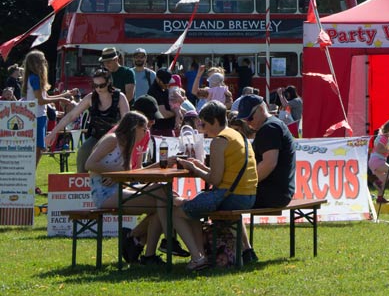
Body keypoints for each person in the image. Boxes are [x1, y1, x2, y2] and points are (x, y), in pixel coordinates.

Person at [85, 111, 184, 265]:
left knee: (163, 194)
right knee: (163, 198)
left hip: (119, 188)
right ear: (134, 127)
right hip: (104, 194)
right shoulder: (112, 139)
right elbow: (89, 164)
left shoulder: (128, 144)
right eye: (144, 129)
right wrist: (114, 173)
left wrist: (159, 165)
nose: (146, 132)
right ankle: (163, 242)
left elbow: (133, 174)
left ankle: (140, 242)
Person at [174, 100, 259, 271]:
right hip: (248, 196)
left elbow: (215, 180)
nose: (202, 129)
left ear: (214, 121)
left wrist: (193, 168)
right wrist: (200, 166)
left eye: (203, 124)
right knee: (192, 209)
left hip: (232, 197)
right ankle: (201, 256)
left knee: (176, 211)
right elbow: (223, 173)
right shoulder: (237, 135)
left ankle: (198, 257)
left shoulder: (219, 141)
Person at [233, 94, 295, 263]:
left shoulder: (269, 129)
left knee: (229, 201)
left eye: (250, 118)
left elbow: (268, 164)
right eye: (244, 119)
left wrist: (245, 184)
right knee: (228, 199)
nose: (248, 122)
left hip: (273, 193)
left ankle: (241, 251)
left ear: (261, 109)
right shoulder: (272, 126)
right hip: (278, 191)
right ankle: (244, 250)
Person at [46, 68, 129, 172]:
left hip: (116, 137)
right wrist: (53, 133)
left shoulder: (120, 97)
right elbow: (71, 115)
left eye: (101, 85)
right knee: (82, 152)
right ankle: (81, 179)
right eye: (95, 85)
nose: (98, 89)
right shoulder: (90, 98)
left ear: (109, 83)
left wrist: (123, 140)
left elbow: (127, 121)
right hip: (96, 136)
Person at [21, 50, 73, 168]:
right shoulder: (35, 78)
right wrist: (60, 99)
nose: (45, 62)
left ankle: (31, 174)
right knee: (38, 148)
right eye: (42, 60)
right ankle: (31, 175)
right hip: (36, 117)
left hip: (38, 116)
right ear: (36, 63)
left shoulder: (33, 77)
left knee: (40, 148)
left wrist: (64, 96)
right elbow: (40, 101)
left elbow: (46, 97)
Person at [369, 119, 389, 204]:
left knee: (383, 181)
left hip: (374, 161)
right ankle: (377, 182)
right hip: (377, 160)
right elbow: (379, 149)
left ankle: (380, 198)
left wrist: (388, 150)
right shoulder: (384, 138)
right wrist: (388, 150)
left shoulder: (382, 137)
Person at [147, 69, 177, 137]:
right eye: (164, 82)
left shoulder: (164, 89)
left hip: (168, 129)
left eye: (168, 82)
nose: (166, 84)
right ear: (157, 79)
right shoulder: (154, 91)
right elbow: (163, 114)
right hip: (159, 130)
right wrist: (176, 113)